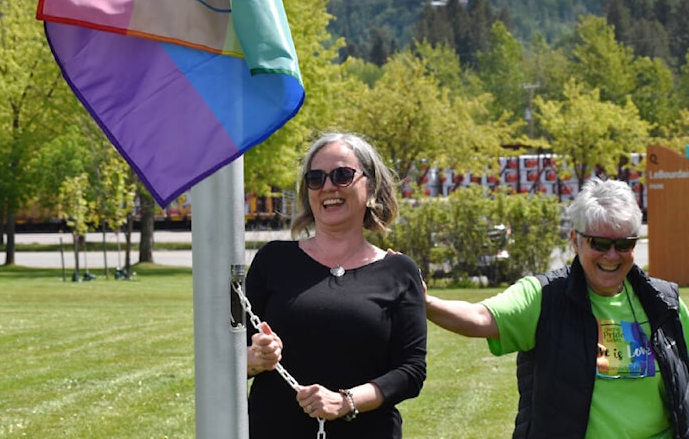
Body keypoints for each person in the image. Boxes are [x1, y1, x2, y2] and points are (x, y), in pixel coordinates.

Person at [425, 177, 689, 439]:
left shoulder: (663, 301)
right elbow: (478, 317)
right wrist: (425, 302)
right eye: (599, 243)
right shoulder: (544, 296)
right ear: (576, 240)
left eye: (624, 244)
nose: (611, 255)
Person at [244, 132, 427, 438]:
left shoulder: (399, 271)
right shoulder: (273, 261)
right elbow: (224, 354)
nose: (328, 186)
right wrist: (253, 360)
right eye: (316, 178)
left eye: (342, 175)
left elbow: (410, 373)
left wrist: (345, 402)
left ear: (370, 187)